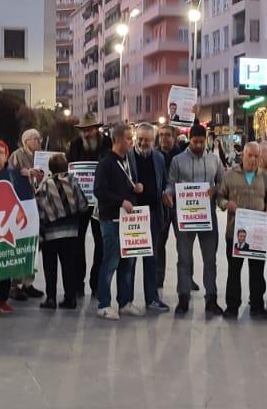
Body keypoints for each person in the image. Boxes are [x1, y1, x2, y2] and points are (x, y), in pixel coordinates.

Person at [166, 123, 225, 317]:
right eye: (195, 142)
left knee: (210, 259)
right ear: (189, 140)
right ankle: (183, 297)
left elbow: (223, 183)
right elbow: (170, 183)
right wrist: (168, 193)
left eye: (202, 142)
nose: (199, 145)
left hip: (207, 216)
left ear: (206, 140)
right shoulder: (177, 160)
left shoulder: (214, 160)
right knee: (184, 258)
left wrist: (215, 189)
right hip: (185, 216)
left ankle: (211, 298)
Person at [216, 141, 267, 319]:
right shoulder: (230, 175)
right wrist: (226, 204)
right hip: (235, 231)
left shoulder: (264, 176)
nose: (253, 159)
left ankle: (257, 305)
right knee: (234, 271)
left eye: (256, 156)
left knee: (257, 271)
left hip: (258, 233)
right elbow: (220, 196)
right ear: (243, 155)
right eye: (249, 155)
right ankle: (232, 307)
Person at [0, 141, 35, 315]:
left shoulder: (15, 174)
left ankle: (2, 300)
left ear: (6, 156)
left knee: (4, 263)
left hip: (7, 227)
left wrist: (29, 176)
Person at [93, 123, 140, 319]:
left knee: (128, 262)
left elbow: (126, 183)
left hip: (128, 219)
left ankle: (125, 302)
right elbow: (99, 190)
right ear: (117, 139)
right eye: (128, 138)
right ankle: (104, 304)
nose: (131, 142)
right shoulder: (106, 163)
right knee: (111, 261)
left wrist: (136, 188)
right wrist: (120, 201)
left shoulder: (128, 160)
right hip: (111, 219)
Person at [36, 154, 89, 309]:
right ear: (66, 166)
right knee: (69, 266)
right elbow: (83, 205)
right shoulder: (73, 182)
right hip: (70, 233)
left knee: (50, 267)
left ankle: (51, 298)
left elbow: (39, 207)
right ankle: (70, 298)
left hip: (50, 234)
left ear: (50, 168)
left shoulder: (46, 184)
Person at [129, 124, 171, 312]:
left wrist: (167, 191)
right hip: (133, 217)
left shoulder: (159, 158)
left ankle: (152, 298)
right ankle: (126, 301)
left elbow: (166, 181)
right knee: (129, 261)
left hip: (153, 214)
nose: (143, 143)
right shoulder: (127, 156)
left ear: (154, 141)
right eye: (140, 139)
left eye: (147, 140)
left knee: (151, 259)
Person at [68, 118, 108, 291]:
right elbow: (69, 168)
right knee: (77, 242)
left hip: (100, 201)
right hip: (80, 201)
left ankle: (96, 281)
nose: (86, 133)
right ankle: (78, 282)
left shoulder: (107, 143)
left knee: (101, 242)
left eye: (89, 129)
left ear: (96, 129)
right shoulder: (75, 144)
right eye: (83, 130)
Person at [9, 129, 49, 299]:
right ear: (26, 141)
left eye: (40, 139)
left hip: (38, 204)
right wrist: (24, 173)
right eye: (36, 139)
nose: (39, 141)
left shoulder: (42, 156)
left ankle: (28, 282)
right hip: (22, 206)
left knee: (34, 244)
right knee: (20, 244)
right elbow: (10, 176)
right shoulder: (17, 155)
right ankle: (15, 283)